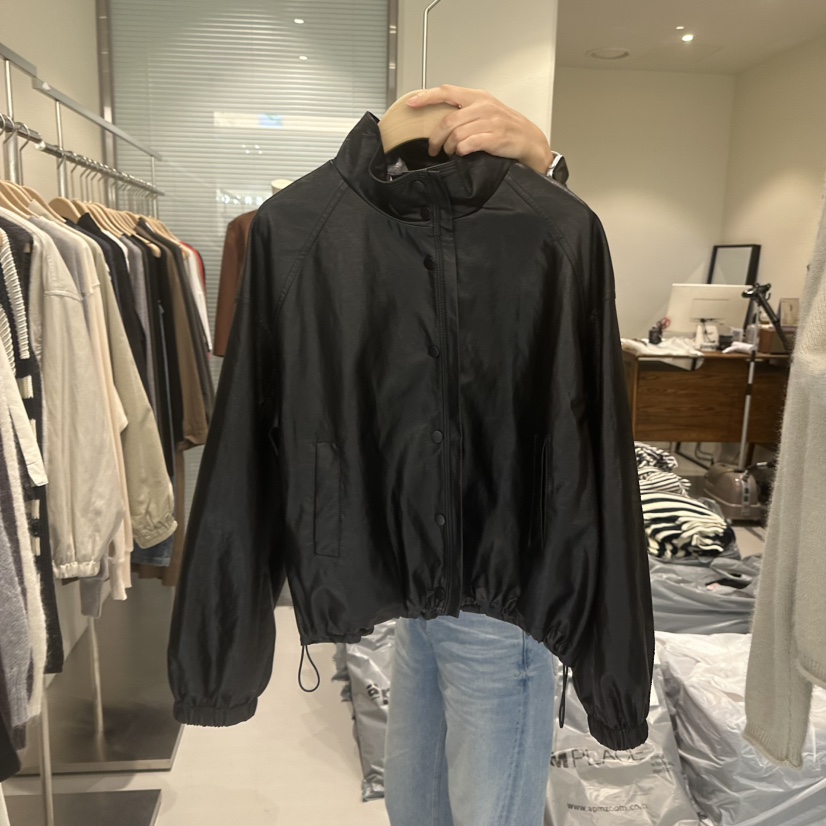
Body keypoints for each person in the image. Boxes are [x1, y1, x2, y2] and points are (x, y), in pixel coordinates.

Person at [384, 85, 569, 826]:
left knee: (487, 810)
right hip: (417, 580)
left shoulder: (529, 240)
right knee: (413, 801)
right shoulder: (386, 240)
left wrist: (546, 174)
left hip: (497, 583)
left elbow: (554, 304)